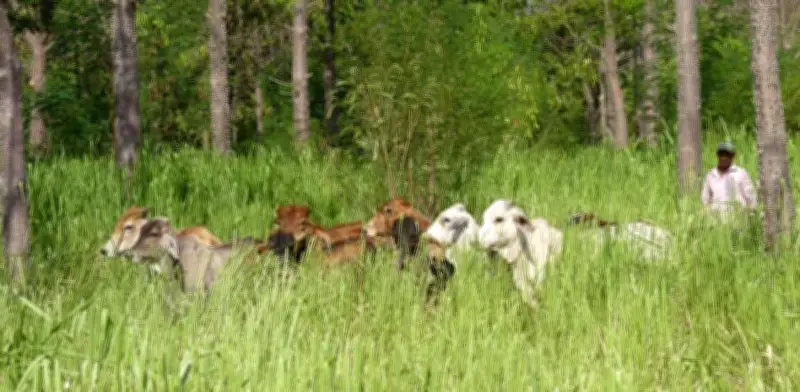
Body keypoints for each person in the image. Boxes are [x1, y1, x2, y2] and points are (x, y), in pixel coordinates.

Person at [701, 141, 757, 223]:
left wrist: (750, 217)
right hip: (716, 222)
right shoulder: (711, 175)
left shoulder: (740, 173)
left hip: (738, 221)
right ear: (717, 155)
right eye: (721, 154)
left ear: (733, 156)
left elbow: (751, 198)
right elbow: (705, 200)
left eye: (727, 155)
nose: (724, 157)